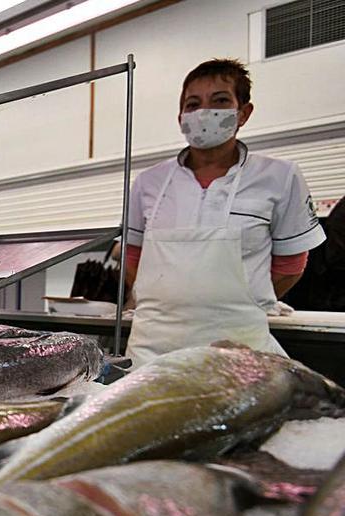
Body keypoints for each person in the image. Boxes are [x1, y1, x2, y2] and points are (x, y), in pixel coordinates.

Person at [124, 58, 325, 366]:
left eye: (219, 101)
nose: (203, 112)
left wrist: (243, 300)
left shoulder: (280, 177)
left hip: (238, 352)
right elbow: (133, 258)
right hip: (152, 353)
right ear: (180, 117)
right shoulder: (148, 182)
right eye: (193, 104)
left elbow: (291, 265)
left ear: (243, 113)